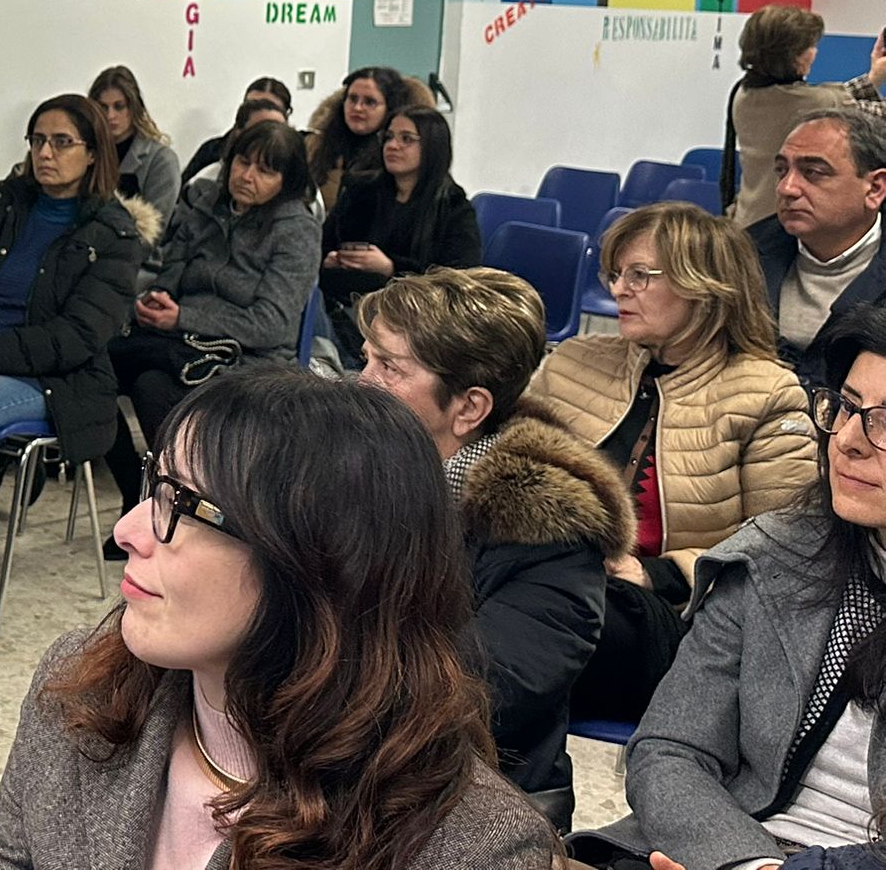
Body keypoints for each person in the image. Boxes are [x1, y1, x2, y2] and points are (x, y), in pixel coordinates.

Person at [0, 366, 560, 870]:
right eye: (155, 485)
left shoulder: (473, 848)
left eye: (183, 506)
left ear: (323, 564)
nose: (126, 530)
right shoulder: (80, 689)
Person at [569, 305, 886, 870]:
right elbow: (670, 748)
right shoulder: (775, 554)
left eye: (885, 422)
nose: (847, 440)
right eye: (846, 407)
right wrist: (745, 863)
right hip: (723, 846)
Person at [355, 267, 631, 830]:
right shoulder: (352, 473)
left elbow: (464, 696)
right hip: (345, 769)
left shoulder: (552, 538)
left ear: (468, 409)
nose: (362, 383)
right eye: (366, 359)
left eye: (389, 367)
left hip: (471, 804)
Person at [528, 200, 816, 721]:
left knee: (542, 623)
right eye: (616, 274)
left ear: (705, 288)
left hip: (667, 617)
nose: (619, 289)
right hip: (546, 580)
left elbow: (783, 548)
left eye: (639, 275)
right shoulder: (573, 361)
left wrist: (655, 574)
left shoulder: (766, 393)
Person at [0, 94, 149, 613]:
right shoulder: (2, 202)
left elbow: (79, 335)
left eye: (61, 142)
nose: (45, 153)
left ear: (93, 153)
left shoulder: (114, 235)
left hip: (50, 376)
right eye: (38, 140)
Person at [104, 119, 321, 531]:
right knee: (92, 372)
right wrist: (159, 298)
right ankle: (137, 488)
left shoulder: (296, 230)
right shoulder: (207, 203)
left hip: (249, 357)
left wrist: (183, 317)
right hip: (177, 341)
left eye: (265, 170)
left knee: (152, 387)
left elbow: (272, 324)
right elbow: (173, 270)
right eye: (242, 162)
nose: (247, 176)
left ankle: (183, 504)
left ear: (287, 181)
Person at [320, 106, 481, 362]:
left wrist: (391, 268)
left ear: (432, 147)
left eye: (406, 139)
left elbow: (457, 278)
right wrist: (331, 259)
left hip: (414, 312)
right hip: (346, 294)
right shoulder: (362, 191)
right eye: (389, 137)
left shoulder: (452, 206)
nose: (393, 146)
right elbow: (324, 242)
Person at [752, 109, 886, 388]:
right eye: (782, 171)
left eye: (812, 172)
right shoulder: (744, 253)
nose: (787, 188)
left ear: (875, 189)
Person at [724, 6, 886, 224]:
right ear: (793, 57)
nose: (815, 52)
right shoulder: (814, 103)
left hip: (748, 218)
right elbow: (863, 111)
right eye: (810, 46)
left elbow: (839, 98)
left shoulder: (743, 93)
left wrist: (875, 76)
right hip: (784, 225)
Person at [305, 65, 432, 214]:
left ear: (389, 108)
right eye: (352, 99)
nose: (358, 108)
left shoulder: (399, 157)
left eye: (370, 102)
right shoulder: (318, 148)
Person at [91, 65, 182, 227]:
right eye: (103, 107)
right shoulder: (87, 152)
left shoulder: (161, 160)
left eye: (119, 106)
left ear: (133, 108)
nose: (110, 115)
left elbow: (156, 229)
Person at [181, 77, 293, 182]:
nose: (257, 112)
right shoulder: (213, 150)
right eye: (251, 105)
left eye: (269, 107)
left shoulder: (294, 157)